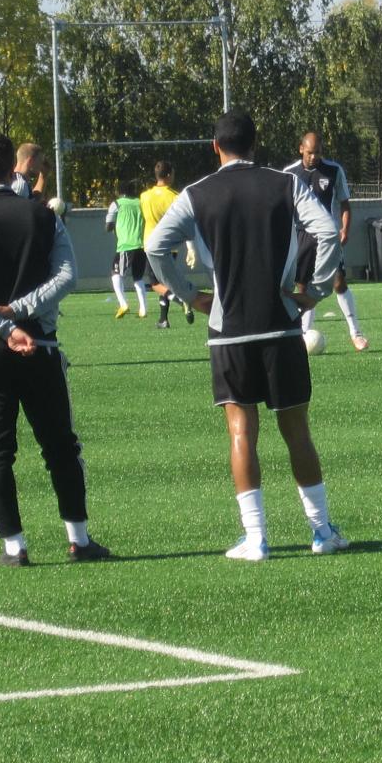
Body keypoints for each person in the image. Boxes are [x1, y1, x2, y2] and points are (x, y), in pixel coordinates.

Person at [145, 109, 346, 561]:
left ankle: (256, 539)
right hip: (279, 323)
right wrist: (314, 290)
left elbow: (155, 246)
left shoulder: (197, 193)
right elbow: (328, 231)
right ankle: (321, 532)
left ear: (216, 147)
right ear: (255, 145)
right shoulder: (285, 183)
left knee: (241, 430)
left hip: (227, 329)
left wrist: (187, 294)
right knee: (296, 429)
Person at [0, 131, 108, 566]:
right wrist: (21, 312)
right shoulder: (43, 216)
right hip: (42, 344)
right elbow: (67, 277)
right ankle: (80, 540)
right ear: (12, 169)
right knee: (60, 446)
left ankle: (15, 548)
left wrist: (1, 324)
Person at [285, 130, 370, 350]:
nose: (314, 157)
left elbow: (345, 204)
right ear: (301, 148)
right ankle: (303, 336)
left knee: (339, 281)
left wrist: (344, 230)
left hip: (327, 235)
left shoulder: (333, 170)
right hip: (301, 235)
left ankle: (356, 333)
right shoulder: (290, 174)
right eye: (310, 152)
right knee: (302, 286)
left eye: (318, 152)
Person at [140, 160, 193, 330]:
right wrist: (191, 248)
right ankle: (163, 319)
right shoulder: (175, 197)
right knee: (165, 282)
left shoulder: (144, 196)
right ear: (169, 175)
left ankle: (180, 299)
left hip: (151, 245)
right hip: (171, 246)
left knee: (155, 284)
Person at [104, 183, 150, 320]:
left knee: (115, 272)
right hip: (142, 245)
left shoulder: (117, 204)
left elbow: (108, 226)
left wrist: (114, 227)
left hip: (126, 245)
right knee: (138, 277)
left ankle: (123, 304)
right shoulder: (140, 203)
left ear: (120, 192)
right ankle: (143, 309)